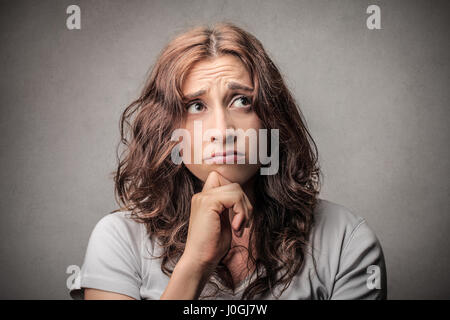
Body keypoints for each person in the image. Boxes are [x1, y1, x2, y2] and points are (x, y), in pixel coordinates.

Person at [69, 22, 387, 300]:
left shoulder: (346, 239)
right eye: (195, 106)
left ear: (271, 118)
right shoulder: (118, 239)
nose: (222, 131)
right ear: (166, 129)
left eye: (242, 101)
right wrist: (194, 265)